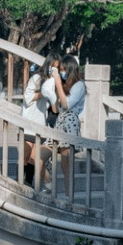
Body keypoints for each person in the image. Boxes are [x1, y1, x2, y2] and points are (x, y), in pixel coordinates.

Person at [39, 55, 85, 198]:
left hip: (70, 124)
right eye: (60, 70)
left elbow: (66, 105)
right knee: (38, 157)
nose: (62, 73)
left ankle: (68, 199)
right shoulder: (62, 85)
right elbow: (57, 108)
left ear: (71, 69)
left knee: (66, 168)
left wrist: (58, 83)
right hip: (59, 123)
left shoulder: (79, 85)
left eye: (64, 70)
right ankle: (48, 182)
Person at [21, 55, 60, 185]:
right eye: (53, 67)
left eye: (57, 68)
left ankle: (28, 182)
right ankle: (20, 181)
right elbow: (27, 97)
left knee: (33, 157)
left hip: (41, 123)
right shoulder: (36, 78)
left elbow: (55, 109)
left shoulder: (54, 84)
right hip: (28, 120)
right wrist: (45, 92)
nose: (54, 70)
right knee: (25, 155)